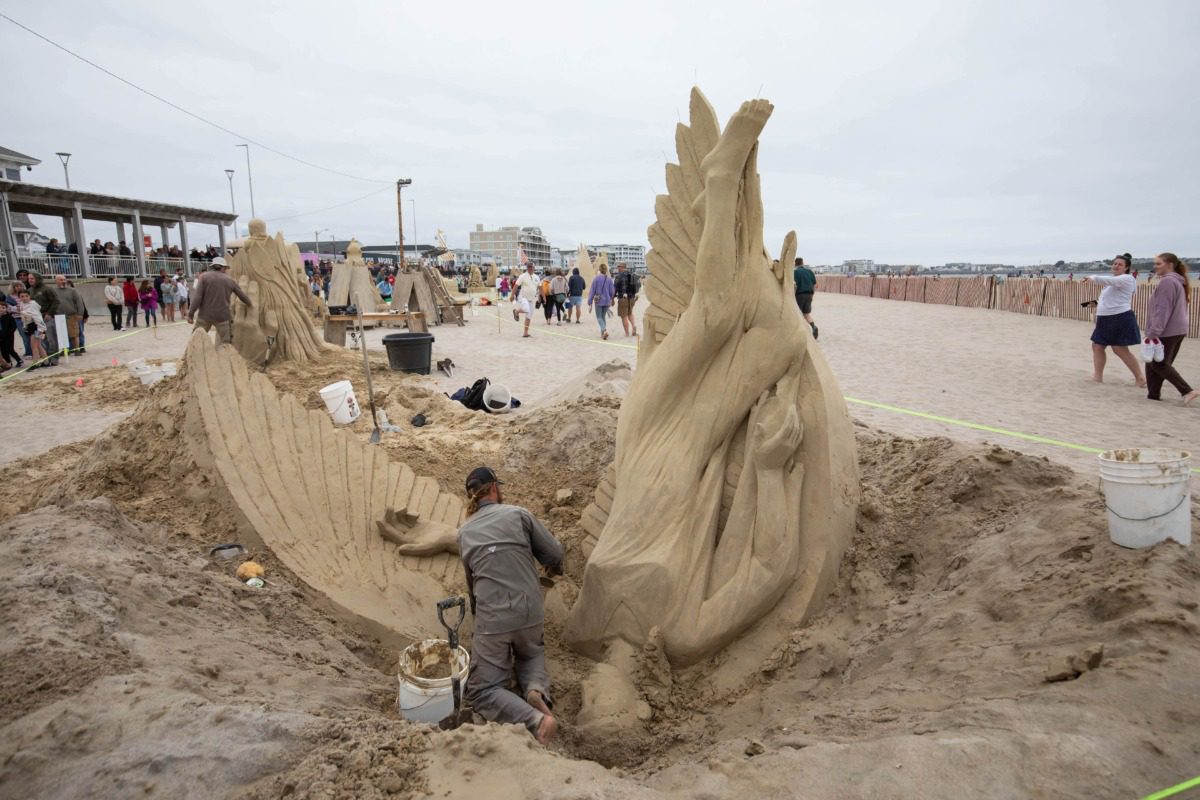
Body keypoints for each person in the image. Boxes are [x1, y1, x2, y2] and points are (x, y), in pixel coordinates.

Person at [457, 467, 563, 745]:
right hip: (529, 610)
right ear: (494, 489)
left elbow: (473, 588)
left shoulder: (464, 532)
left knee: (483, 690)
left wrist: (482, 624)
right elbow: (554, 554)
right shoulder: (518, 514)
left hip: (493, 618)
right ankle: (536, 692)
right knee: (530, 653)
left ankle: (534, 719)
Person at [1144, 253, 1198, 405]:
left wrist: (1154, 332)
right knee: (1152, 363)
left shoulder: (1167, 282)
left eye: (1158, 264)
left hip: (1168, 330)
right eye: (1155, 263)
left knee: (1159, 363)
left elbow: (1162, 309)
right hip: (1177, 329)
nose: (1155, 266)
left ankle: (1187, 391)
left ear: (1170, 265)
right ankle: (1153, 395)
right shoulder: (1176, 281)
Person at [1082, 253, 1143, 386]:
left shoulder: (1127, 279)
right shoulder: (1112, 282)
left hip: (1120, 317)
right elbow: (1105, 301)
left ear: (1126, 268)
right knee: (1097, 346)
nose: (1116, 266)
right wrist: (1085, 305)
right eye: (1115, 263)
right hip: (1105, 319)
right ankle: (1097, 377)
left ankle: (1140, 378)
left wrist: (1092, 277)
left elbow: (1109, 281)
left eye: (1120, 264)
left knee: (1119, 349)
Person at [187, 256, 252, 344]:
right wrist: (250, 304)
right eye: (225, 268)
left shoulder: (204, 277)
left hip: (205, 315)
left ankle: (189, 356)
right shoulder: (229, 280)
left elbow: (197, 298)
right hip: (223, 316)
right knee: (226, 342)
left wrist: (191, 314)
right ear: (223, 267)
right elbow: (242, 296)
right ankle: (225, 356)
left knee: (195, 340)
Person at [26, 272, 60, 365]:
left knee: (51, 338)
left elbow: (56, 301)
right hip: (36, 320)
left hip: (47, 317)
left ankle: (54, 357)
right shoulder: (29, 290)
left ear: (37, 278)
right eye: (29, 279)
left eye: (32, 278)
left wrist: (49, 313)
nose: (30, 280)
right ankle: (46, 357)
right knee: (41, 338)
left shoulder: (47, 289)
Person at [54, 274, 87, 354]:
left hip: (71, 315)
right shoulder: (53, 291)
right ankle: (65, 350)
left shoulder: (72, 291)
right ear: (56, 281)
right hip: (58, 316)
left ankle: (77, 350)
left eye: (64, 280)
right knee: (62, 335)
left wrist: (80, 313)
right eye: (61, 280)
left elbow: (79, 302)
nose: (63, 281)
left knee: (74, 334)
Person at [16, 289, 48, 368]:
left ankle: (35, 363)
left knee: (34, 345)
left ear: (29, 296)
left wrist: (41, 330)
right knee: (38, 345)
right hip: (30, 327)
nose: (24, 298)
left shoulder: (33, 304)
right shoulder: (22, 304)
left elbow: (38, 318)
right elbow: (24, 319)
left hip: (37, 327)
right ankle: (46, 361)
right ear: (19, 298)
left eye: (26, 296)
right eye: (22, 296)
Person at [587, 262, 615, 340]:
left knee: (599, 317)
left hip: (598, 301)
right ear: (606, 270)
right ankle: (602, 333)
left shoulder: (596, 278)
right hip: (607, 301)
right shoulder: (609, 279)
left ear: (599, 269)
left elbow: (592, 291)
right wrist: (612, 299)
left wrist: (589, 301)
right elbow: (612, 291)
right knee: (603, 317)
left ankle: (604, 330)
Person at [793, 257, 818, 340]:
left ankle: (801, 332)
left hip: (799, 295)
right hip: (809, 294)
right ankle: (813, 327)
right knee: (806, 314)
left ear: (795, 264)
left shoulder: (795, 272)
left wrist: (793, 295)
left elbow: (795, 285)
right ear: (802, 263)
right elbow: (814, 284)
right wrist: (812, 294)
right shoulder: (809, 271)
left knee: (798, 314)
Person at [512, 263, 539, 338]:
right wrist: (512, 295)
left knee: (529, 316)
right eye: (528, 267)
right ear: (527, 268)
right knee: (526, 309)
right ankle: (516, 311)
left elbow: (540, 287)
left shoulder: (536, 277)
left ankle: (525, 333)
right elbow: (516, 286)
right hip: (523, 297)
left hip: (531, 299)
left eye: (531, 267)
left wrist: (543, 298)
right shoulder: (522, 276)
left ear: (534, 268)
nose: (530, 268)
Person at [613, 262, 639, 337]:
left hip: (622, 298)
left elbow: (615, 289)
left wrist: (613, 297)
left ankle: (627, 333)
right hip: (631, 298)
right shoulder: (631, 275)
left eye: (619, 267)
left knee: (624, 316)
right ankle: (634, 325)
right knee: (630, 313)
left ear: (622, 267)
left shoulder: (619, 276)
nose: (618, 268)